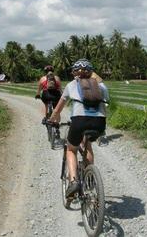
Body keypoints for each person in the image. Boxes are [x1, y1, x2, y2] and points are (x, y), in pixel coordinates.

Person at [49, 59, 109, 198]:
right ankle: (89, 178)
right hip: (99, 122)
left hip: (79, 121)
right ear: (91, 72)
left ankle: (74, 181)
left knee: (71, 149)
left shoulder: (71, 85)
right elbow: (106, 106)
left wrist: (52, 119)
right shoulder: (101, 86)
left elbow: (58, 109)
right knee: (88, 146)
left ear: (75, 73)